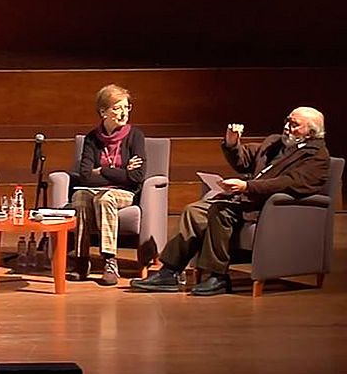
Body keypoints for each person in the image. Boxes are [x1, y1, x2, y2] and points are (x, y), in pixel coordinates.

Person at [131, 106, 330, 296]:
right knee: (194, 210)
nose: (287, 127)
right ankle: (169, 272)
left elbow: (289, 183)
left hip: (273, 209)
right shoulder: (275, 143)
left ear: (310, 133)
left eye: (294, 124)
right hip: (246, 200)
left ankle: (218, 277)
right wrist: (232, 143)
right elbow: (244, 161)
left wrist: (247, 187)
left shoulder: (317, 157)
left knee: (221, 211)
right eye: (287, 121)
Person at [67, 84, 146, 286]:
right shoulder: (92, 139)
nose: (123, 112)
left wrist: (102, 171)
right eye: (117, 108)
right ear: (103, 112)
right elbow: (85, 176)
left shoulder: (135, 136)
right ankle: (81, 261)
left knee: (105, 197)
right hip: (93, 191)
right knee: (80, 197)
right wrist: (122, 172)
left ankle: (110, 261)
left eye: (126, 107)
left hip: (124, 193)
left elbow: (136, 177)